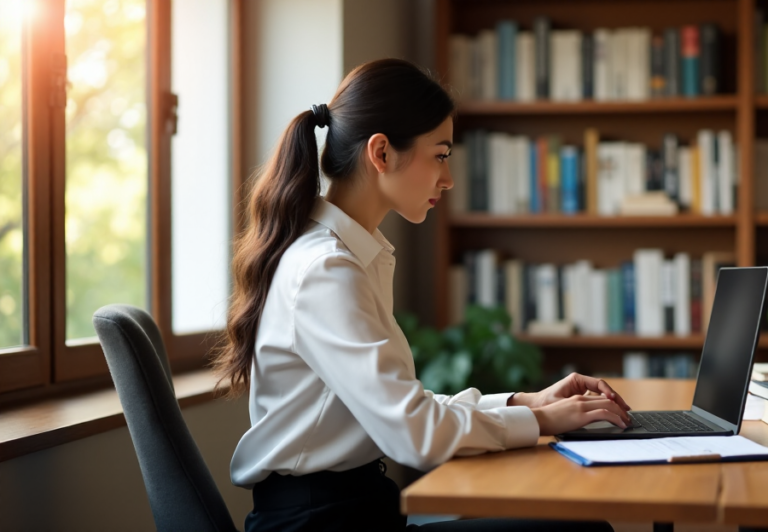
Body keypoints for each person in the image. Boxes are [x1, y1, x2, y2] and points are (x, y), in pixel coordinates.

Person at [213, 58, 631, 532]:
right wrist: (544, 422)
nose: (448, 178)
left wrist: (526, 404)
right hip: (321, 522)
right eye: (440, 154)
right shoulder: (326, 270)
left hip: (354, 510)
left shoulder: (347, 257)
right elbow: (415, 434)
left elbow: (407, 408)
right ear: (382, 153)